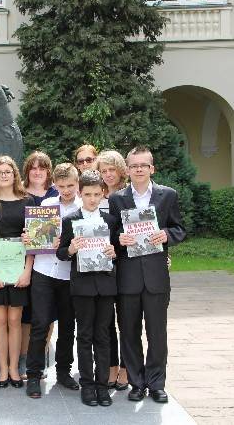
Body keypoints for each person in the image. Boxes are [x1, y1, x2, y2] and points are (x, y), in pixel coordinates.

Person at [108, 146, 186, 404]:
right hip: (127, 277)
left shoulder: (168, 195)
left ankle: (156, 384)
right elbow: (111, 234)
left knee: (157, 333)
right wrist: (119, 239)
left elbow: (179, 229)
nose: (139, 169)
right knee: (129, 333)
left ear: (152, 168)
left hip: (156, 276)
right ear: (128, 169)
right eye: (134, 166)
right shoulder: (117, 199)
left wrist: (167, 235)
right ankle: (136, 383)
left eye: (143, 165)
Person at [56, 170, 118, 407]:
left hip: (105, 285)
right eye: (88, 194)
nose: (92, 199)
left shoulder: (110, 221)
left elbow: (120, 251)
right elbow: (61, 253)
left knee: (102, 335)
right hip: (82, 286)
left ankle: (102, 386)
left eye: (96, 194)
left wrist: (114, 252)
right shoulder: (70, 220)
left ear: (103, 194)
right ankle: (88, 385)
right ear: (80, 194)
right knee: (84, 335)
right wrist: (71, 249)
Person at [24, 163, 82, 399]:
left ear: (77, 184)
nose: (66, 190)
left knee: (68, 326)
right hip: (44, 271)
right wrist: (29, 238)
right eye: (61, 186)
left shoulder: (83, 208)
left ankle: (64, 372)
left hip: (70, 274)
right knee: (40, 324)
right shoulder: (46, 206)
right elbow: (34, 238)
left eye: (70, 185)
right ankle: (34, 374)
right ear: (54, 185)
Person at [0, 155, 35, 389]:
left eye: (7, 172)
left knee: (15, 319)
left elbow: (34, 240)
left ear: (14, 174)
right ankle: (2, 369)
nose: (3, 175)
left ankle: (14, 369)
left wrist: (27, 271)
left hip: (19, 270)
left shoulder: (28, 201)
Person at [19, 151, 58, 378]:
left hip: (49, 263)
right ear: (27, 171)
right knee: (26, 313)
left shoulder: (55, 194)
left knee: (47, 313)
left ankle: (41, 356)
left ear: (48, 171)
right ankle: (26, 357)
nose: (37, 172)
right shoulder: (19, 193)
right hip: (22, 261)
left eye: (42, 168)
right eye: (33, 168)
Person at [97, 150, 130, 390]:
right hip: (100, 266)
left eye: (112, 170)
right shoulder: (95, 196)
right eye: (104, 171)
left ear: (121, 171)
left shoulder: (129, 196)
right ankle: (111, 367)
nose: (108, 175)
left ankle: (127, 369)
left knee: (127, 319)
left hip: (126, 264)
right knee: (106, 320)